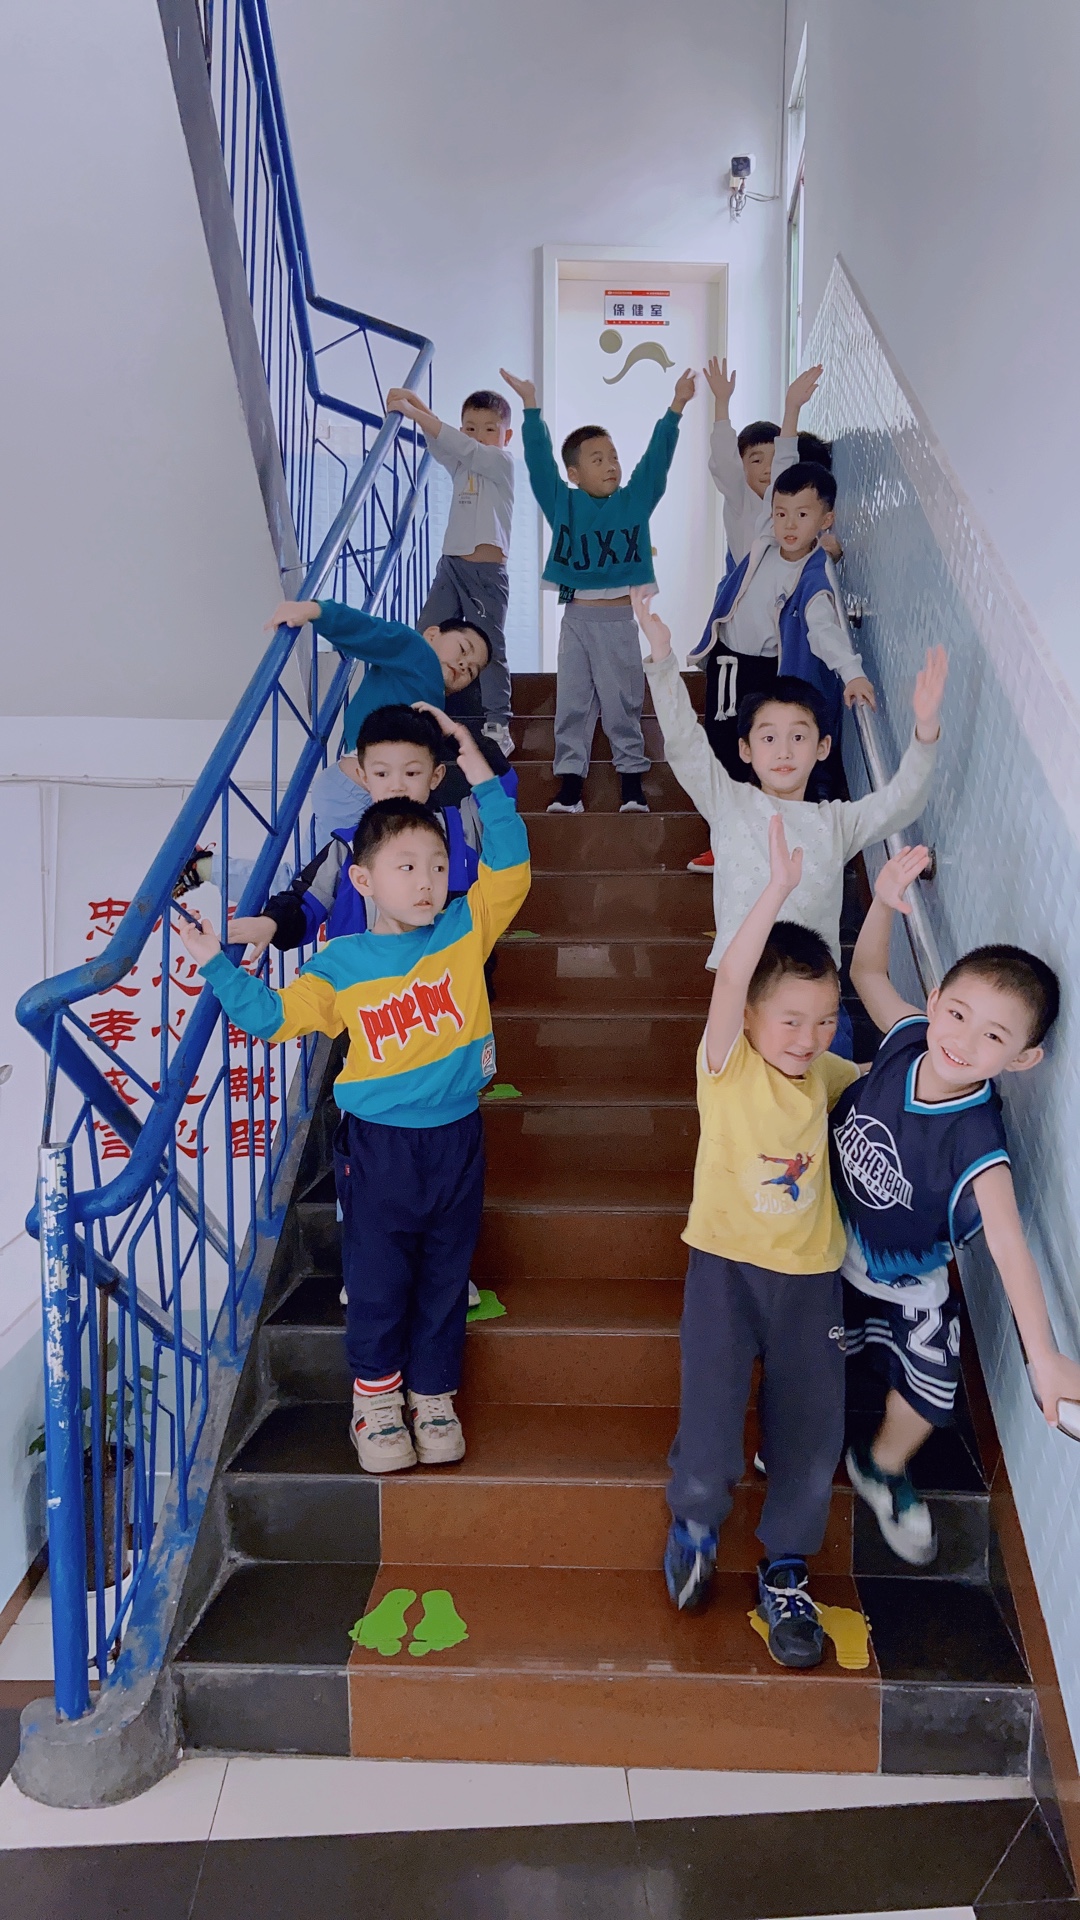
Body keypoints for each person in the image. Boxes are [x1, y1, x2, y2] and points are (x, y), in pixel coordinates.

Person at [176, 708, 530, 1476]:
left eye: (436, 864)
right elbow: (273, 1019)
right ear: (364, 879)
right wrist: (215, 964)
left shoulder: (465, 929)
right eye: (406, 867)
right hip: (378, 1147)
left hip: (458, 1137)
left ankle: (433, 1397)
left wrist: (474, 763)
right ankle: (376, 1402)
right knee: (377, 1278)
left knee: (446, 1274)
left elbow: (511, 862)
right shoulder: (339, 964)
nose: (425, 881)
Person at [833, 846, 1080, 1563]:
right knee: (798, 1354)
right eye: (960, 1013)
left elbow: (1008, 1247)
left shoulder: (978, 1142)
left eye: (994, 1036)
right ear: (936, 999)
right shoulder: (910, 1036)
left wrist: (1044, 1358)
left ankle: (879, 1466)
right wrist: (884, 898)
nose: (964, 1041)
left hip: (909, 1283)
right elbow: (867, 972)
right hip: (821, 1243)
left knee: (932, 1390)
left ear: (1022, 1059)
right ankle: (797, 1436)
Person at [664, 814, 861, 1667]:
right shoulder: (726, 1063)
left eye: (825, 1020)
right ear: (747, 1017)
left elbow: (897, 1078)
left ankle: (785, 1566)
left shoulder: (825, 1073)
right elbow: (735, 973)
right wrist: (776, 890)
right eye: (790, 1020)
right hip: (724, 1270)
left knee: (812, 1434)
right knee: (710, 1415)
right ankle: (696, 1523)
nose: (807, 1038)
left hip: (812, 1280)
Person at [634, 587, 947, 1056]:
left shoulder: (837, 821)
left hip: (816, 1000)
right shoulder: (727, 802)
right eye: (768, 738)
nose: (783, 750)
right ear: (746, 750)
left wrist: (925, 733)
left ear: (822, 747)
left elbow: (901, 803)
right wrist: (662, 658)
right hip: (744, 997)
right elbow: (683, 742)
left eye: (798, 737)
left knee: (824, 1099)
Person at [500, 364, 697, 816]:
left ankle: (632, 786)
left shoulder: (634, 500)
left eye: (613, 457)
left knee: (623, 702)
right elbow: (539, 465)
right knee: (572, 703)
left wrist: (676, 406)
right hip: (576, 620)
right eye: (597, 459)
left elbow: (656, 460)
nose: (610, 465)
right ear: (574, 473)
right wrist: (530, 408)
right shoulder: (563, 503)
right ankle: (570, 788)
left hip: (618, 620)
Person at [225, 704, 508, 958]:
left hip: (452, 986)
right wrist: (271, 923)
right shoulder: (348, 846)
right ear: (363, 777)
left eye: (411, 773)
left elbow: (500, 794)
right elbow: (305, 901)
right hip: (367, 992)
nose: (396, 785)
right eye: (382, 774)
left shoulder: (463, 826)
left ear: (435, 776)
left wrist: (458, 736)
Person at [688, 464, 872, 802]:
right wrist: (788, 428)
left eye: (802, 514)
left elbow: (824, 631)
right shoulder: (765, 542)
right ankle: (723, 820)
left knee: (759, 745)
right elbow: (780, 472)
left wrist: (852, 674)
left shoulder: (813, 578)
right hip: (726, 660)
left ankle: (762, 816)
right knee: (721, 743)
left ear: (826, 519)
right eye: (781, 513)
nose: (789, 524)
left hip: (764, 669)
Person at [269, 595, 490, 845]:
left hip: (365, 791)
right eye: (463, 649)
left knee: (342, 868)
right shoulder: (417, 650)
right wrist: (315, 610)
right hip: (355, 792)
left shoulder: (430, 696)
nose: (463, 664)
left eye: (471, 670)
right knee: (333, 868)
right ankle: (231, 865)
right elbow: (370, 631)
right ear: (431, 635)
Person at [386, 386, 516, 760]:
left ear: (506, 436)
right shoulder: (462, 462)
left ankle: (497, 722)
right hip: (451, 566)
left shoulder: (501, 463)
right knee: (426, 633)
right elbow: (442, 444)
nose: (478, 437)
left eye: (489, 429)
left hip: (485, 573)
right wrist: (416, 404)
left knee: (488, 643)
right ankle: (417, 710)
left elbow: (462, 447)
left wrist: (414, 411)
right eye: (470, 428)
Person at [704, 359, 839, 570]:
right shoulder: (739, 500)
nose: (768, 469)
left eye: (773, 460)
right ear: (742, 466)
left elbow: (785, 459)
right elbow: (725, 463)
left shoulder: (785, 500)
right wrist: (721, 402)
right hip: (753, 584)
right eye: (757, 460)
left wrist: (793, 407)